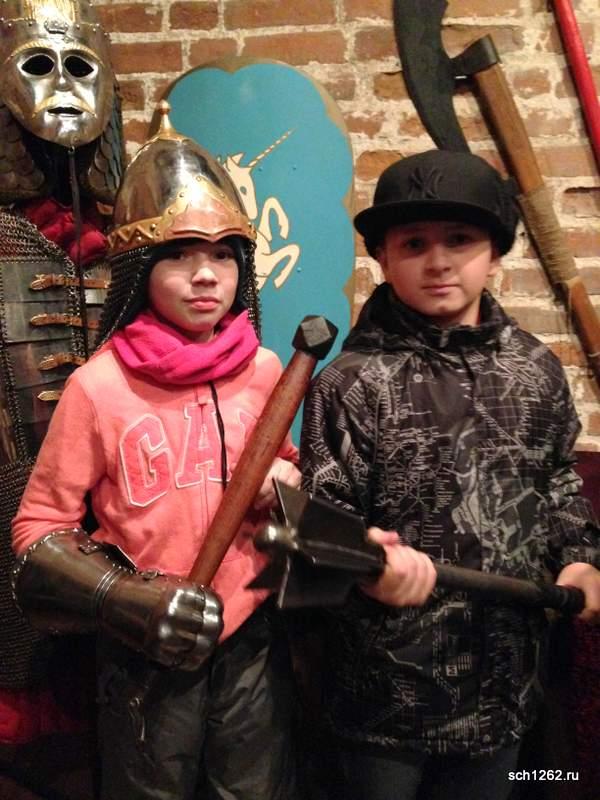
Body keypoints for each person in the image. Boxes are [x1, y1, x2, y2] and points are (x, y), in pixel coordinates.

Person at [12, 103, 301, 800]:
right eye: (179, 253)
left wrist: (285, 488)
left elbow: (286, 470)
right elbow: (39, 527)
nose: (206, 275)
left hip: (251, 634)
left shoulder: (265, 370)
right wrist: (124, 599)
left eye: (222, 255)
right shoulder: (99, 386)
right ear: (140, 266)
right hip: (144, 644)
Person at [300, 149, 600, 800]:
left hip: (505, 682)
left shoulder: (535, 370)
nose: (438, 261)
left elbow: (557, 481)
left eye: (460, 240)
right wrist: (367, 563)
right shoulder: (352, 383)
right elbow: (324, 522)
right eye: (414, 243)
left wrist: (578, 557)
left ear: (495, 254)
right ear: (383, 257)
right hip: (385, 696)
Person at [0, 0, 124, 752]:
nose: (63, 89)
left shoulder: (140, 234)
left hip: (123, 506)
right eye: (36, 67)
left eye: (80, 67)